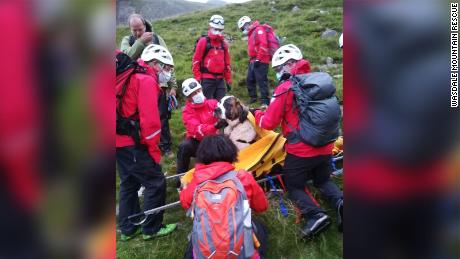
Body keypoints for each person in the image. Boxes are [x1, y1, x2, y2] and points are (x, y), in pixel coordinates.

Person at [253, 44, 343, 239]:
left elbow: (268, 122)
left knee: (294, 185)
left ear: (291, 63)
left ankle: (315, 215)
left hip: (301, 150)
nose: (278, 73)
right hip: (326, 145)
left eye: (279, 68)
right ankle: (341, 203)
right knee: (323, 179)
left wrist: (257, 114)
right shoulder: (318, 81)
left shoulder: (285, 88)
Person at [116, 47, 176, 241]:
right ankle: (151, 228)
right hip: (132, 142)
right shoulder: (145, 80)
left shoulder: (129, 74)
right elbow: (150, 122)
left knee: (129, 182)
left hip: (116, 138)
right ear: (155, 64)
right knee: (155, 182)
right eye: (166, 67)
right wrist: (153, 150)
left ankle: (128, 228)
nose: (167, 72)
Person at [180, 134, 269, 259]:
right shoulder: (242, 177)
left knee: (192, 242)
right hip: (241, 253)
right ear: (231, 153)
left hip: (206, 253)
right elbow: (262, 207)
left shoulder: (196, 181)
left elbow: (185, 203)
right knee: (260, 226)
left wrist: (185, 189)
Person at [120, 13, 177, 156]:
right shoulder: (127, 40)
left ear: (145, 25)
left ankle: (165, 146)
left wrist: (173, 85)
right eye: (135, 30)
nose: (138, 33)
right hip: (136, 89)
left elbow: (168, 62)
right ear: (130, 29)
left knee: (162, 116)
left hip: (160, 85)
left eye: (140, 29)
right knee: (141, 118)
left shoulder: (157, 38)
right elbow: (125, 58)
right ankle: (144, 146)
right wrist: (140, 42)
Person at [175, 78, 228, 181]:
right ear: (189, 98)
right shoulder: (187, 112)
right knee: (184, 147)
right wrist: (215, 126)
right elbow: (197, 130)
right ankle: (180, 179)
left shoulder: (213, 103)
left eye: (199, 90)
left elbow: (225, 113)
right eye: (194, 93)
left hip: (214, 140)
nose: (198, 94)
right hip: (198, 143)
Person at [192, 14, 232, 101]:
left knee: (220, 105)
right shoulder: (203, 42)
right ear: (210, 27)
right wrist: (197, 78)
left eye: (220, 30)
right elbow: (196, 61)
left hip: (220, 80)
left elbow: (227, 64)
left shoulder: (224, 44)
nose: (218, 32)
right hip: (206, 79)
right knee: (207, 104)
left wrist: (228, 79)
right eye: (216, 29)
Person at [237, 16, 272, 106]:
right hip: (253, 60)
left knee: (261, 80)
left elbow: (263, 44)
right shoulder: (251, 33)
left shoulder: (258, 30)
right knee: (250, 80)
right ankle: (253, 98)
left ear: (246, 24)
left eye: (243, 28)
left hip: (262, 60)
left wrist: (259, 59)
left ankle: (265, 101)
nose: (243, 30)